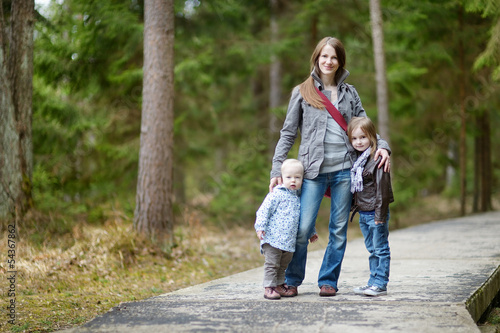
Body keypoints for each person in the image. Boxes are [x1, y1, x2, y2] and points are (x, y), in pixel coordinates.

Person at [269, 37, 391, 297]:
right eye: (324, 56)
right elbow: (288, 134)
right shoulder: (302, 92)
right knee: (301, 230)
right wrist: (276, 170)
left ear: (340, 62)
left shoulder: (350, 92)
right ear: (316, 58)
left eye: (333, 57)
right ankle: (292, 280)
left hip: (346, 171)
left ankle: (328, 280)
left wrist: (382, 146)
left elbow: (365, 126)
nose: (328, 61)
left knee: (338, 230)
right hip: (312, 172)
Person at [255, 159, 317, 300]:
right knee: (272, 264)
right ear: (281, 179)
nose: (293, 180)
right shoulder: (276, 194)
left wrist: (311, 232)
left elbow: (304, 218)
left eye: (297, 177)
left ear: (302, 179)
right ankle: (269, 287)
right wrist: (260, 227)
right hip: (273, 239)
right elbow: (263, 211)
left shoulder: (300, 197)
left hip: (288, 241)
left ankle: (279, 285)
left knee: (283, 265)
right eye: (289, 177)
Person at [348, 117, 394, 297]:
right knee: (372, 249)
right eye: (354, 138)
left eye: (363, 137)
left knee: (381, 248)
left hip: (375, 212)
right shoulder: (359, 160)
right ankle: (372, 282)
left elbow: (383, 191)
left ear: (372, 137)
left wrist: (380, 216)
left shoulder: (377, 159)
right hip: (364, 212)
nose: (359, 142)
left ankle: (380, 283)